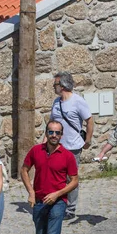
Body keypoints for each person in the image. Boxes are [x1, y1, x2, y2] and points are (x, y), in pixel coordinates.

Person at [21, 121, 78, 234]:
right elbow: (24, 170)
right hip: (39, 200)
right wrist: (31, 192)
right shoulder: (36, 151)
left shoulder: (67, 155)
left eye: (57, 133)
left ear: (62, 135)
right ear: (46, 133)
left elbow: (74, 181)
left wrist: (57, 194)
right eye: (51, 132)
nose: (54, 135)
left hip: (58, 202)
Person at [49, 72, 94, 220]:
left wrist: (87, 140)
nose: (53, 87)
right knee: (56, 176)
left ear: (62, 86)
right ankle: (59, 204)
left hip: (73, 146)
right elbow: (51, 124)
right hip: (56, 146)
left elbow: (89, 120)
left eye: (55, 84)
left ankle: (71, 208)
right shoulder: (56, 102)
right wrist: (45, 142)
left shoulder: (77, 101)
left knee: (71, 178)